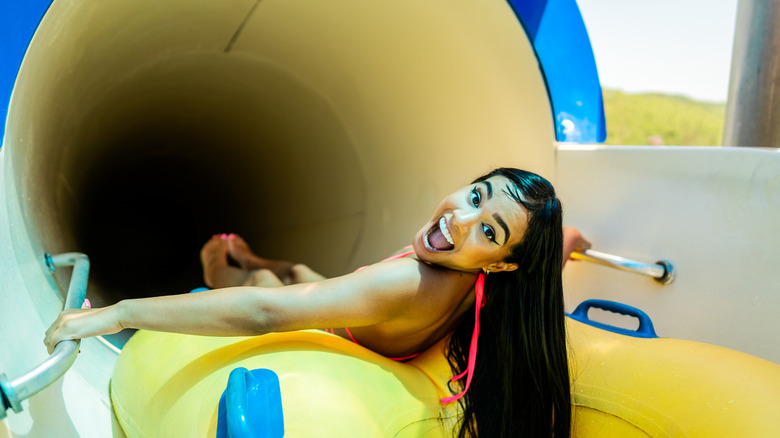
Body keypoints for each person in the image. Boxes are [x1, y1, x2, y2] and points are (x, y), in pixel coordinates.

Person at [45, 167, 591, 437]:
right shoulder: (502, 282)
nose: (461, 219)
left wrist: (114, 313)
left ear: (500, 263)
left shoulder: (410, 283)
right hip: (362, 309)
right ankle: (262, 259)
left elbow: (266, 315)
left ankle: (227, 265)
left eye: (489, 231)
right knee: (301, 272)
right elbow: (546, 257)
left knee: (260, 288)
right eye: (476, 196)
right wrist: (568, 241)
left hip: (344, 325)